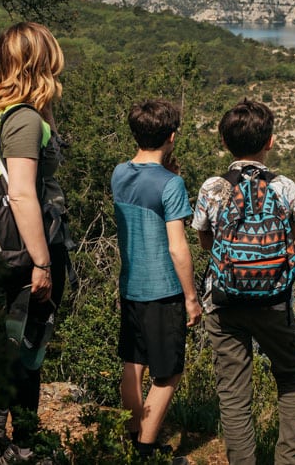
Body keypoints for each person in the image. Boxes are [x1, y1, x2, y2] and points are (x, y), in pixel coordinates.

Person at [0, 22, 71, 464]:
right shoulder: (25, 119)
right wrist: (43, 264)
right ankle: (26, 446)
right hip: (29, 253)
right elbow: (22, 193)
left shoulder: (4, 112)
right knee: (30, 348)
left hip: (5, 250)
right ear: (41, 62)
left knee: (15, 342)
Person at [192, 98, 295, 465]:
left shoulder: (212, 187)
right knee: (289, 377)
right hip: (274, 302)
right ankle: (288, 459)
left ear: (225, 143)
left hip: (224, 302)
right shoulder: (285, 187)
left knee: (233, 392)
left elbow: (204, 239)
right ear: (270, 142)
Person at [111, 99, 201, 461]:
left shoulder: (119, 173)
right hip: (163, 290)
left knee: (133, 364)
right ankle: (146, 451)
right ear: (172, 136)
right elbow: (178, 248)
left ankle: (134, 438)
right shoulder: (171, 183)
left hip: (131, 286)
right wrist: (191, 297)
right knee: (168, 373)